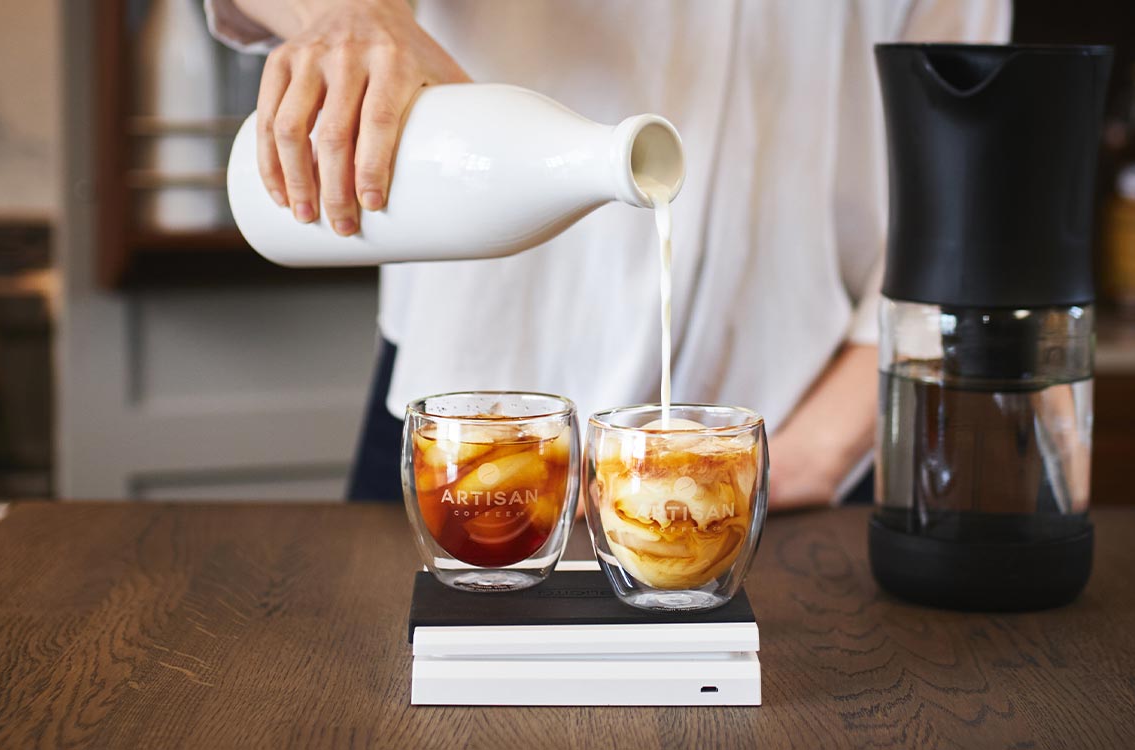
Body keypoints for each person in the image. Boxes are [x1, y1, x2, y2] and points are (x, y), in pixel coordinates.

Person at [206, 0, 1011, 509]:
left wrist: (808, 458)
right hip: (469, 440)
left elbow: (957, 189)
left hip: (787, 448)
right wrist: (351, 12)